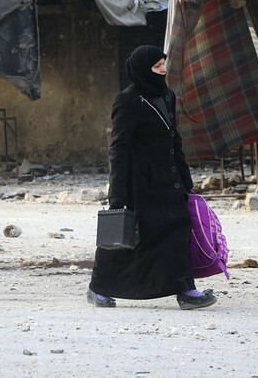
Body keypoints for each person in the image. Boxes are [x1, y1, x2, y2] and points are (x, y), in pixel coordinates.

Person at [87, 45, 217, 310]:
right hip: (140, 184)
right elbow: (119, 148)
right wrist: (118, 194)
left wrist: (185, 179)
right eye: (157, 67)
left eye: (163, 65)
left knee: (179, 228)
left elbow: (174, 140)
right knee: (130, 236)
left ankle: (185, 289)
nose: (163, 71)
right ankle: (99, 286)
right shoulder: (128, 101)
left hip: (168, 181)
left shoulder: (168, 97)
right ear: (143, 69)